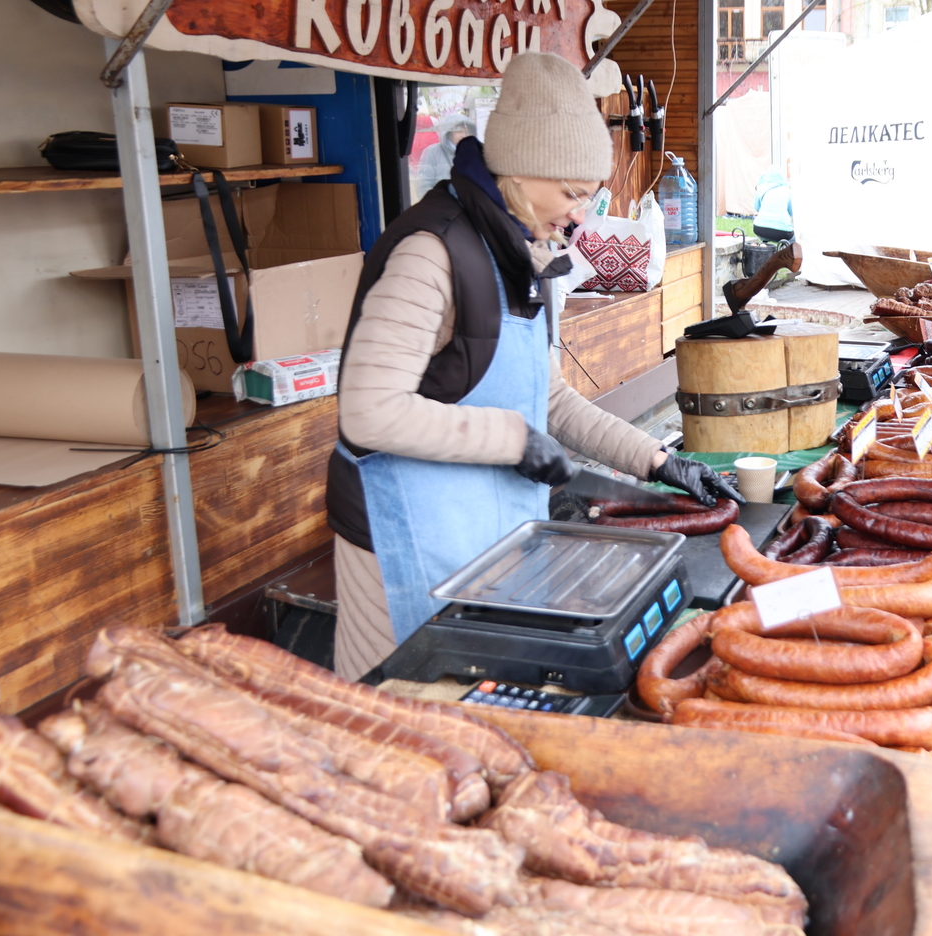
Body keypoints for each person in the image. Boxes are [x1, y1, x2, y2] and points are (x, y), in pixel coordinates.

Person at [326, 53, 741, 681]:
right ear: (522, 170)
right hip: (404, 534)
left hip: (493, 529)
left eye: (588, 197)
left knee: (480, 706)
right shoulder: (428, 253)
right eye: (572, 194)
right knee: (394, 714)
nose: (580, 214)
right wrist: (511, 440)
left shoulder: (523, 251)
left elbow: (549, 400)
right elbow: (367, 412)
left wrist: (659, 462)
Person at [414, 113, 477, 199]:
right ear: (449, 133)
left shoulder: (473, 153)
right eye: (459, 131)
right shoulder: (432, 152)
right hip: (441, 207)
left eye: (466, 132)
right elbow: (423, 184)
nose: (463, 135)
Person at [751, 166, 794, 243]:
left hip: (759, 228)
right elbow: (791, 212)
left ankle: (764, 250)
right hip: (782, 232)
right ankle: (784, 251)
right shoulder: (788, 191)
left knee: (764, 236)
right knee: (793, 240)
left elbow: (757, 208)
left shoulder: (762, 189)